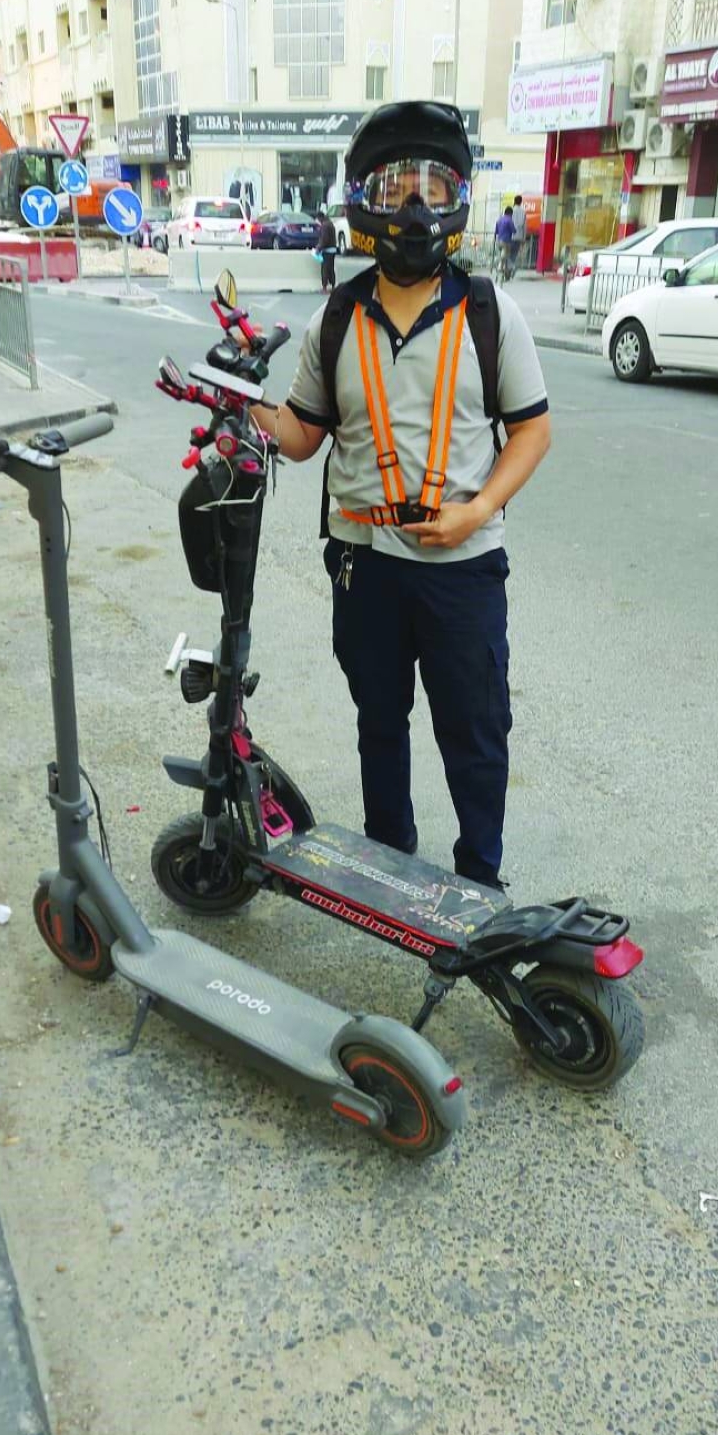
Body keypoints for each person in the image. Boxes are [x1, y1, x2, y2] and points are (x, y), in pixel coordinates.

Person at [249, 101, 550, 888]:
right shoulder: (337, 316)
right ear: (363, 203)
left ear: (457, 200)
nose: (414, 206)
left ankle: (479, 882)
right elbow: (304, 433)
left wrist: (479, 510)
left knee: (475, 734)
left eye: (432, 185)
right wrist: (239, 404)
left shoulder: (491, 313)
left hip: (465, 564)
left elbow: (532, 432)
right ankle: (389, 865)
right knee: (379, 722)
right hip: (364, 563)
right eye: (394, 188)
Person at [317, 206, 337, 294]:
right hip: (333, 249)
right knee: (331, 268)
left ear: (320, 218)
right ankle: (333, 286)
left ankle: (324, 288)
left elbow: (324, 239)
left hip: (327, 250)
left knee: (325, 269)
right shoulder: (330, 223)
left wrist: (318, 248)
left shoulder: (324, 225)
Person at [494, 204, 514, 279]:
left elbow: (496, 231)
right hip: (506, 241)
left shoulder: (499, 219)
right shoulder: (509, 220)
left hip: (499, 240)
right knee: (505, 256)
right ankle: (501, 268)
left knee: (503, 254)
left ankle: (502, 269)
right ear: (510, 213)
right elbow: (513, 230)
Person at [510, 194, 528, 270]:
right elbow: (524, 225)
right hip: (519, 236)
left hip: (510, 236)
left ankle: (508, 267)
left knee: (508, 253)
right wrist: (524, 238)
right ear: (521, 202)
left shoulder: (511, 210)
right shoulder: (523, 211)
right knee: (514, 254)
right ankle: (511, 268)